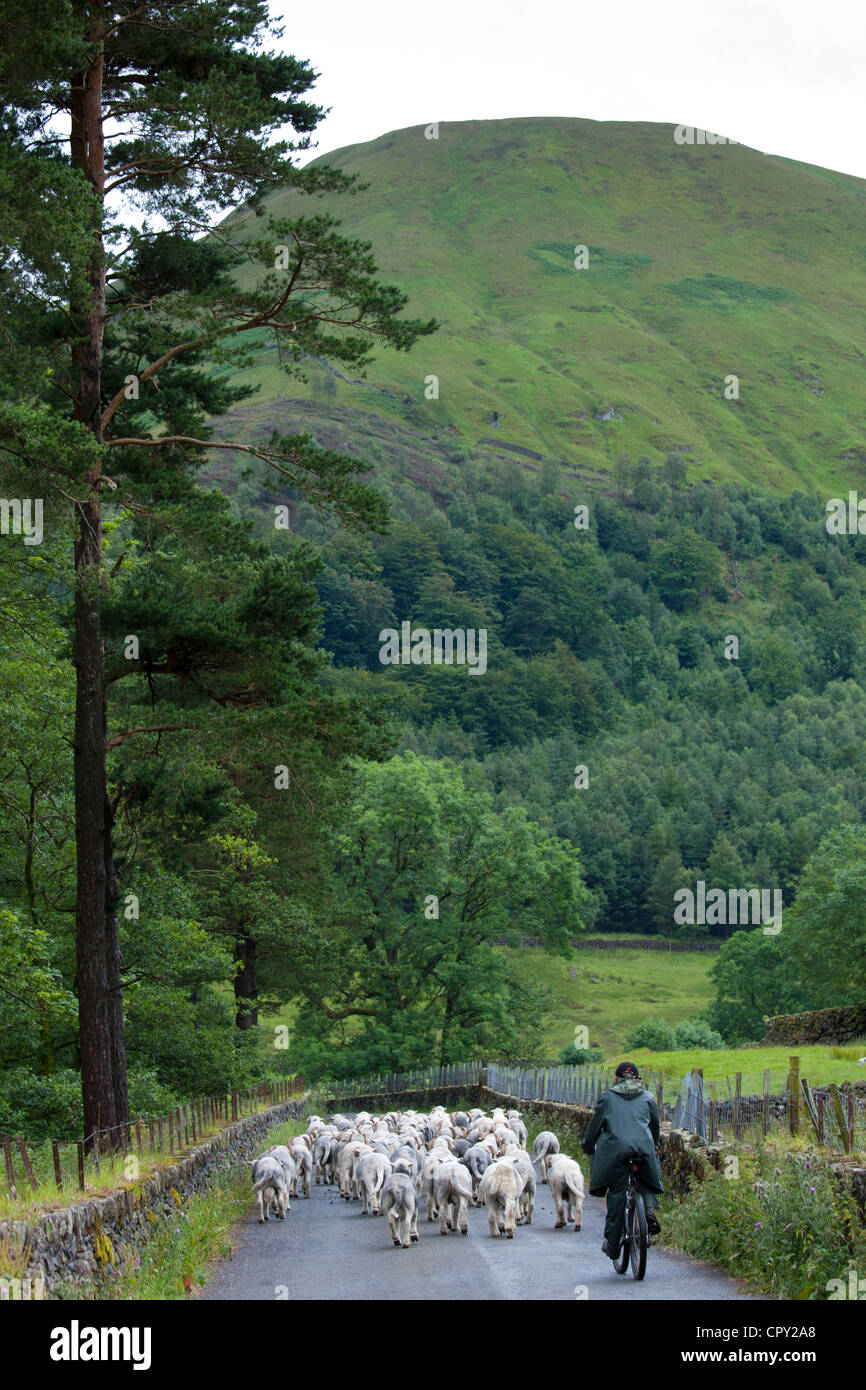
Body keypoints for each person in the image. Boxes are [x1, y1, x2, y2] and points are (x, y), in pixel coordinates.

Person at [581, 1061, 663, 1258]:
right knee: (647, 1176)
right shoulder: (648, 1097)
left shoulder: (607, 1098)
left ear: (616, 1078)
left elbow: (594, 1128)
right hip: (643, 1148)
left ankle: (613, 1243)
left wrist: (588, 1145)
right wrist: (655, 1145)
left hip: (616, 1152)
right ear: (636, 1078)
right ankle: (649, 1212)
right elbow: (654, 1127)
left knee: (617, 1191)